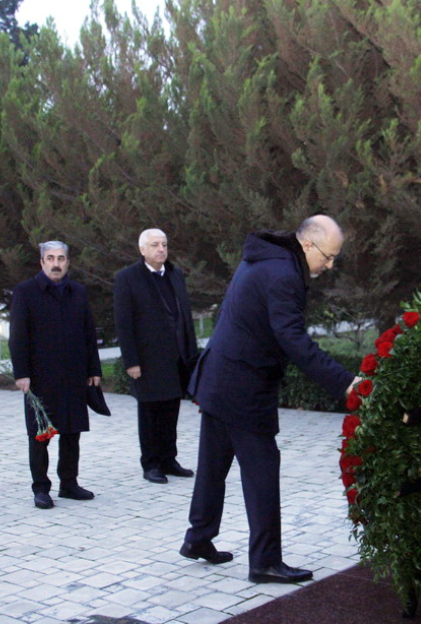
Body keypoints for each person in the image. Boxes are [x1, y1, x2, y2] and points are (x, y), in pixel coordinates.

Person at [181, 214, 361, 584]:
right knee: (262, 471)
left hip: (221, 377)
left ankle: (198, 538)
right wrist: (344, 383)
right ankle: (264, 561)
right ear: (307, 244)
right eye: (328, 257)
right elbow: (292, 339)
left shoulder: (269, 259)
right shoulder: (283, 274)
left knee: (214, 464)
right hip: (241, 386)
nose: (329, 266)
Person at [9, 240, 103, 509]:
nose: (56, 263)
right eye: (50, 258)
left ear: (68, 262)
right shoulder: (26, 292)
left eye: (61, 258)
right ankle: (41, 488)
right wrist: (22, 373)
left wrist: (94, 369)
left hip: (74, 375)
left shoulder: (78, 292)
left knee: (72, 432)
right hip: (40, 377)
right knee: (40, 435)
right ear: (41, 262)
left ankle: (69, 484)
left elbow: (88, 333)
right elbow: (18, 336)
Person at [114, 229, 199, 484]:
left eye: (164, 245)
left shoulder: (175, 274)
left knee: (171, 411)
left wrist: (191, 356)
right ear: (142, 250)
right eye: (154, 245)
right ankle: (151, 464)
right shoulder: (128, 278)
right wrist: (131, 361)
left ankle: (168, 459)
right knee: (150, 413)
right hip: (147, 359)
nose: (161, 249)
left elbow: (184, 317)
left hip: (176, 358)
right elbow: (124, 323)